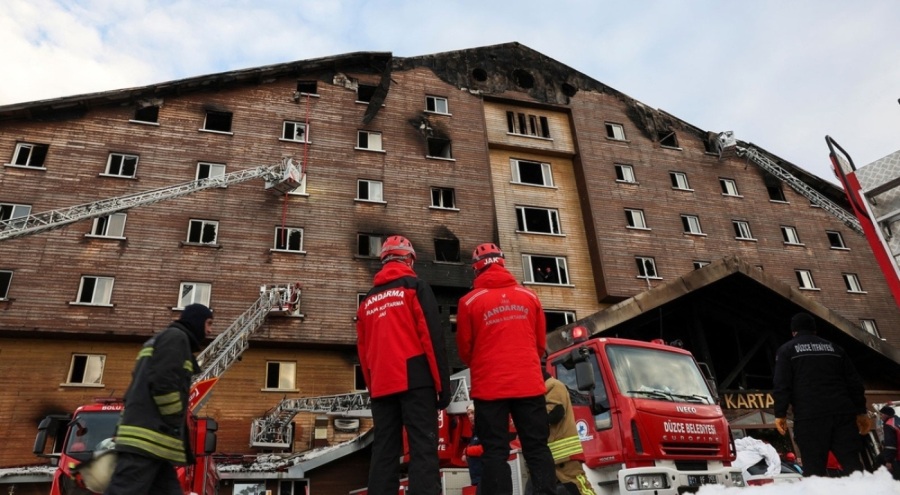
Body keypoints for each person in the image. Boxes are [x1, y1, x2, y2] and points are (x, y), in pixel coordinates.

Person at [456, 242, 557, 495]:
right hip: (529, 384)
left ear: (476, 269)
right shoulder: (530, 297)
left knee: (494, 452)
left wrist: (484, 364)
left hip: (490, 388)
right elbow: (539, 344)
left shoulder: (468, 302)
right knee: (537, 447)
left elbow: (465, 350)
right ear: (503, 262)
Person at [356, 235, 451, 495]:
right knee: (422, 448)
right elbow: (432, 338)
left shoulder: (367, 301)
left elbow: (363, 352)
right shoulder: (415, 287)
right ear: (409, 259)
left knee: (384, 451)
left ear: (384, 260)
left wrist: (372, 388)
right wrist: (442, 386)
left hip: (382, 385)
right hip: (416, 380)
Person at [104, 303, 213, 495]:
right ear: (196, 321)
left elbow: (134, 391)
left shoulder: (161, 340)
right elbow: (164, 382)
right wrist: (173, 421)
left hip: (154, 445)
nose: (210, 330)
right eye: (208, 323)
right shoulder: (176, 338)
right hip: (147, 441)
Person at [772, 312, 870, 477]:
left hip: (810, 416)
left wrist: (780, 413)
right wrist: (861, 411)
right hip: (843, 414)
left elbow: (782, 384)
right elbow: (854, 383)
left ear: (793, 331)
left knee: (814, 470)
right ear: (815, 330)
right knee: (852, 465)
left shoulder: (787, 350)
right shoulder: (836, 349)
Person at [543, 370, 596, 495]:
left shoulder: (553, 385)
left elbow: (555, 413)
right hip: (549, 456)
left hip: (564, 456)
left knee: (580, 489)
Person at [463, 403, 484, 494]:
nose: (470, 416)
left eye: (473, 413)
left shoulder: (484, 429)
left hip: (485, 475)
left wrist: (468, 451)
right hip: (479, 477)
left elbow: (486, 448)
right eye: (468, 414)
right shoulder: (475, 432)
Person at [879, 406, 900, 480]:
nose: (880, 417)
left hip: (897, 457)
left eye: (881, 414)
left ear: (886, 415)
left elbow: (890, 444)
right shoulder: (897, 421)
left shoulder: (889, 424)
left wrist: (888, 461)